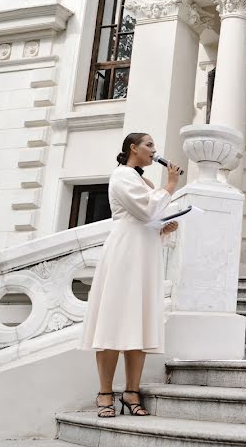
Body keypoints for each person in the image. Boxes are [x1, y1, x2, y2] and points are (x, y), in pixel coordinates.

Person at [79, 132, 182, 417]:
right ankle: (104, 393)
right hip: (124, 253)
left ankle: (131, 391)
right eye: (149, 145)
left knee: (139, 322)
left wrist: (162, 227)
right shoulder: (122, 175)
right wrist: (171, 185)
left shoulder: (144, 181)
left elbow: (148, 218)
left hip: (145, 252)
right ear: (132, 148)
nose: (154, 151)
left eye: (155, 146)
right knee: (113, 322)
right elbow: (144, 208)